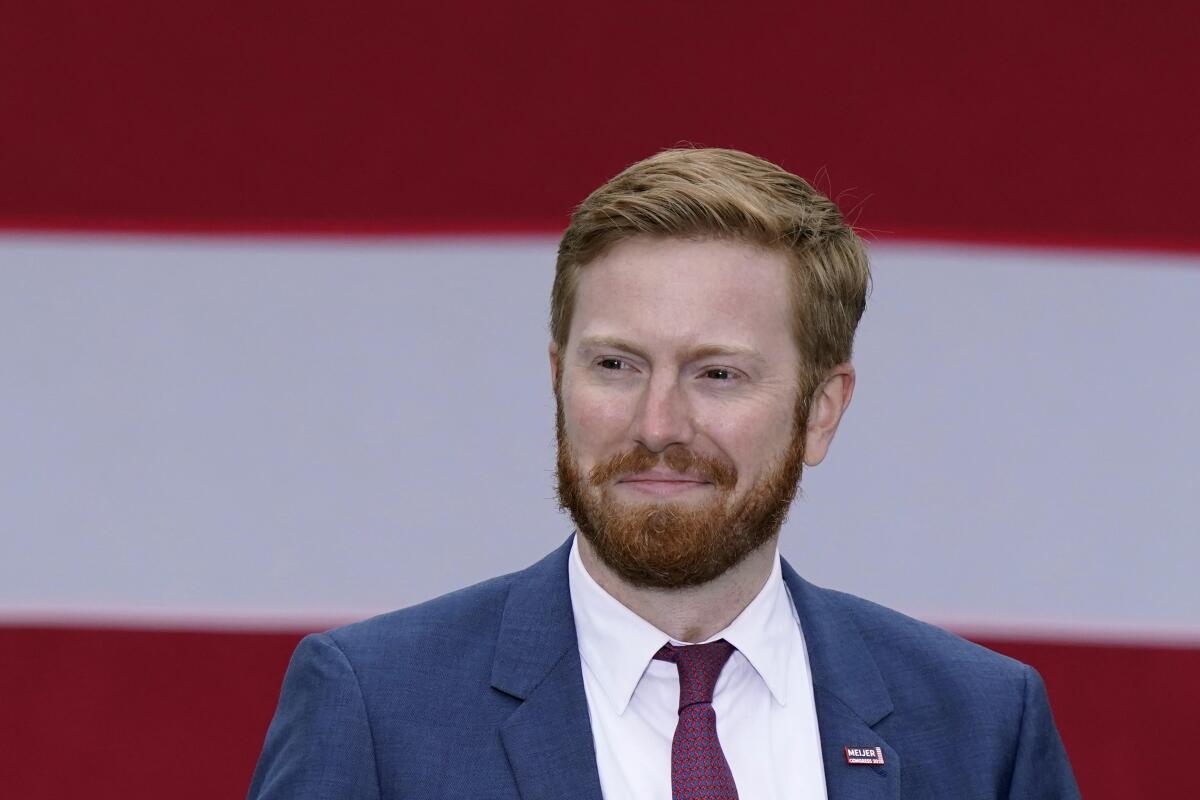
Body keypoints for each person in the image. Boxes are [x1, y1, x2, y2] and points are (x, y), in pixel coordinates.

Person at [248, 148, 1080, 799]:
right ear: (556, 376)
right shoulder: (378, 707)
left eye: (717, 374)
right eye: (615, 364)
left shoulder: (981, 726)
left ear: (822, 410)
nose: (657, 426)